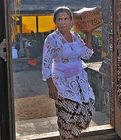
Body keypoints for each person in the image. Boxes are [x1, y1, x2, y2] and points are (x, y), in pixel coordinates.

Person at [42, 6, 95, 140]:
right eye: (59, 19)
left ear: (71, 20)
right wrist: (51, 86)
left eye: (66, 18)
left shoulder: (76, 36)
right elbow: (46, 63)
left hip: (80, 81)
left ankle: (73, 136)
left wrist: (89, 33)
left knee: (86, 112)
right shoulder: (51, 39)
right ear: (55, 22)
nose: (63, 22)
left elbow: (87, 55)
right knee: (67, 115)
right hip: (62, 82)